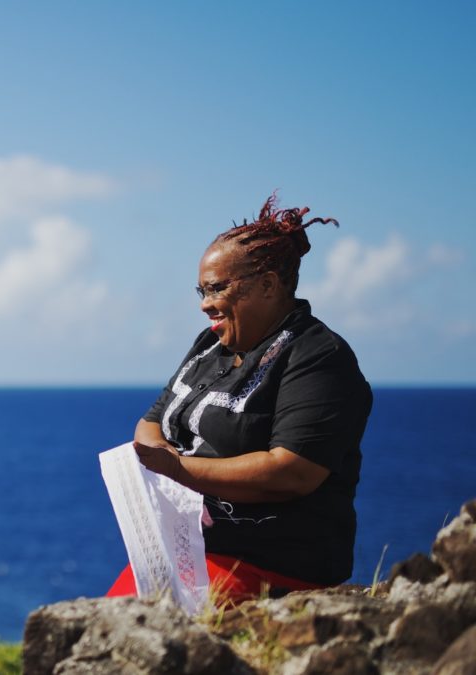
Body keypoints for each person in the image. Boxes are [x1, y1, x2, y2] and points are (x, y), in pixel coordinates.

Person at [107, 194, 372, 604]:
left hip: (267, 565)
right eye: (201, 290)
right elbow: (154, 419)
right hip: (189, 552)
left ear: (267, 285)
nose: (204, 303)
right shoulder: (210, 346)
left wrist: (177, 470)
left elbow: (293, 472)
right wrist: (157, 457)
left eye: (216, 288)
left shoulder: (318, 357)